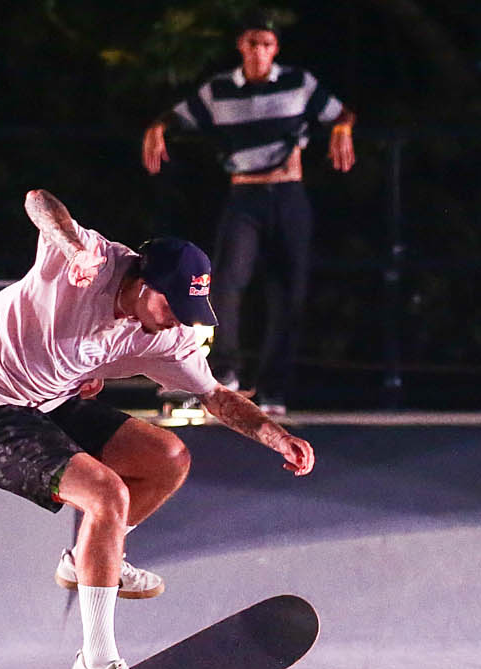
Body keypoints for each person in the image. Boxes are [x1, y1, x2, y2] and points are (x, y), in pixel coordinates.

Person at [0, 189, 317, 669]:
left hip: (51, 404)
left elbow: (214, 396)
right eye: (171, 307)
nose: (177, 322)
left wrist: (276, 437)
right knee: (107, 493)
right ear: (141, 284)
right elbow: (39, 201)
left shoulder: (167, 334)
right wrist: (72, 246)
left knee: (169, 457)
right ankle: (97, 665)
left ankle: (88, 559)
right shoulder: (86, 265)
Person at [143, 19, 353, 411]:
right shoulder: (220, 90)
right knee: (227, 280)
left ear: (275, 49)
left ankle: (274, 387)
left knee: (286, 289)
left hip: (288, 193)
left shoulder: (296, 83)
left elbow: (341, 112)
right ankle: (225, 370)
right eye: (253, 43)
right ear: (242, 45)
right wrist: (157, 127)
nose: (259, 51)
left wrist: (341, 130)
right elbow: (179, 114)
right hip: (244, 194)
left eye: (267, 44)